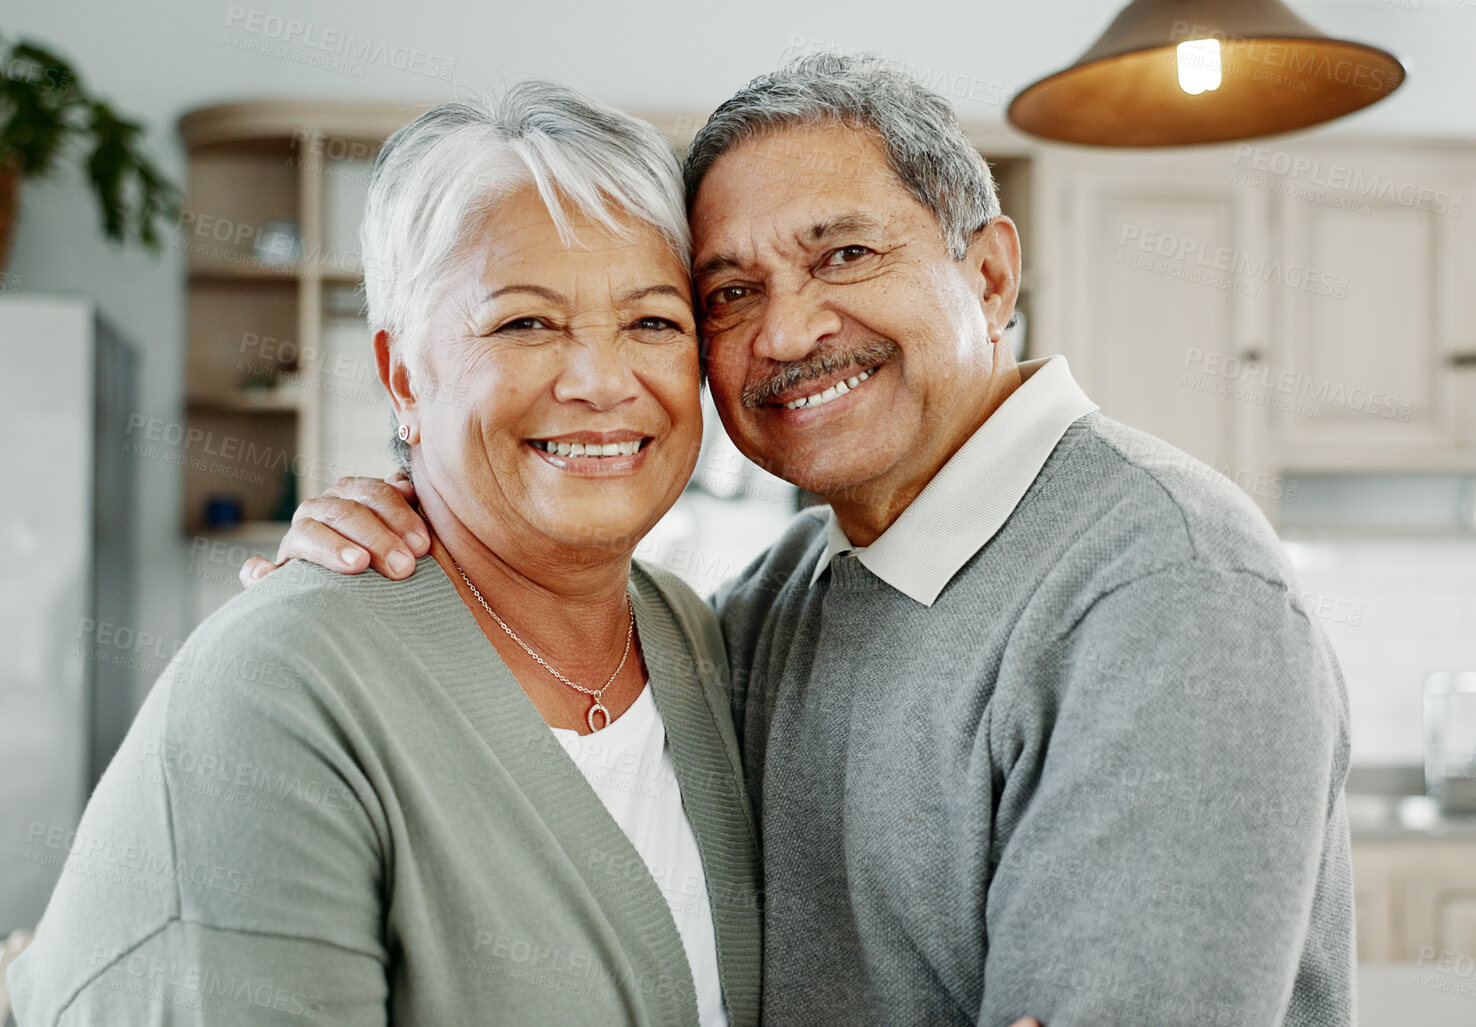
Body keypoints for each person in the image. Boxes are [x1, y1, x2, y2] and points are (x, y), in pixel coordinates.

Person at [251, 53, 1356, 1026]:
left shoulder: (1172, 590)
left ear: (989, 275)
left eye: (843, 256)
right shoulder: (780, 593)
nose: (787, 330)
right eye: (730, 292)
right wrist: (406, 533)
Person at [9, 83, 762, 1026]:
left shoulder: (704, 641)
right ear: (403, 376)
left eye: (653, 321)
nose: (602, 381)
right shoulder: (276, 691)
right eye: (524, 322)